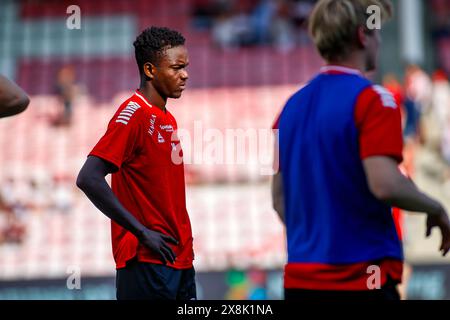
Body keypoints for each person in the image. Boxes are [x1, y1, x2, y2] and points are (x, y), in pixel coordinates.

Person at [271, 0, 450, 301]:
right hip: (362, 280)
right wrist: (436, 208)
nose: (379, 42)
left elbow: (279, 200)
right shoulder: (375, 100)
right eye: (377, 32)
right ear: (361, 36)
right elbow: (384, 184)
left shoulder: (287, 110)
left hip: (301, 283)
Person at [76, 26, 195, 300]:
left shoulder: (166, 117)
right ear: (151, 70)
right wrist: (141, 232)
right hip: (147, 262)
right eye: (176, 67)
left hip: (179, 258)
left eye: (186, 66)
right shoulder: (133, 114)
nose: (185, 74)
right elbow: (88, 177)